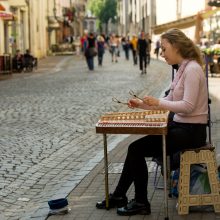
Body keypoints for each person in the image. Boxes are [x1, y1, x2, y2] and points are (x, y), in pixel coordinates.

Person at [96, 28, 208, 216]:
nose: (161, 54)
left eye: (164, 49)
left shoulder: (193, 69)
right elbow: (169, 102)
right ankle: (120, 195)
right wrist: (141, 104)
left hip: (191, 132)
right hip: (182, 127)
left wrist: (158, 102)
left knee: (136, 149)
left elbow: (187, 106)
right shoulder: (183, 68)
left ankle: (140, 202)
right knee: (135, 149)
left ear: (177, 46)